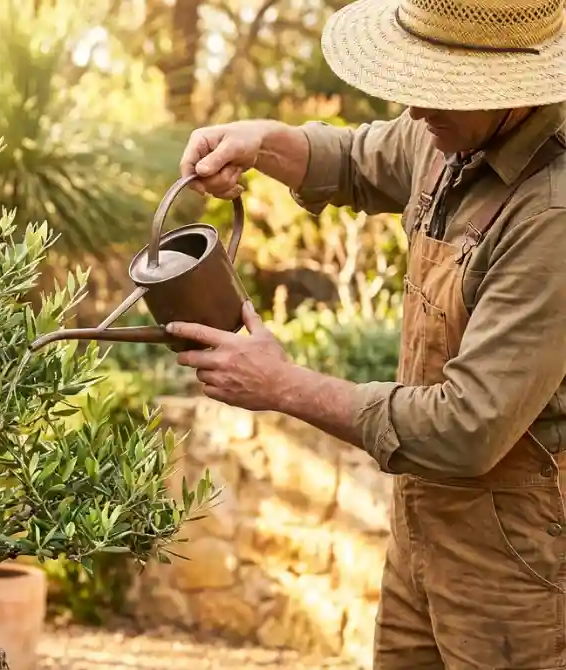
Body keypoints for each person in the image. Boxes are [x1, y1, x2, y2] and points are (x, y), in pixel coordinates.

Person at [166, 0, 566, 667]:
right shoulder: (452, 134)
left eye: (437, 89)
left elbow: (469, 428)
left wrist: (285, 385)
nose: (414, 109)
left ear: (510, 91)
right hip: (423, 524)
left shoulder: (550, 216)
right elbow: (355, 159)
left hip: (516, 557)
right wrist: (261, 140)